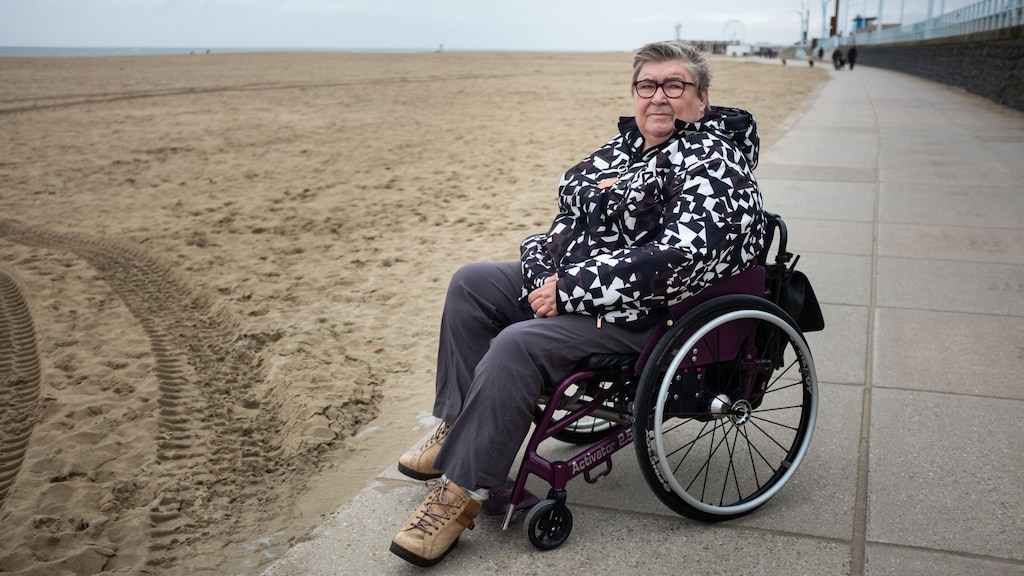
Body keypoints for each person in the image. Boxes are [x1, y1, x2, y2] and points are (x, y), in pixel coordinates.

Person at [389, 40, 766, 568]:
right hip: (583, 290)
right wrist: (546, 275)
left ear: (701, 98)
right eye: (647, 86)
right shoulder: (620, 151)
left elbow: (681, 258)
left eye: (674, 86)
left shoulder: (716, 161)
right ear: (635, 94)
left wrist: (572, 289)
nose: (659, 97)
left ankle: (463, 491)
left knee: (516, 344)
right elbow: (563, 225)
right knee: (472, 283)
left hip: (655, 314)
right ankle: (458, 426)